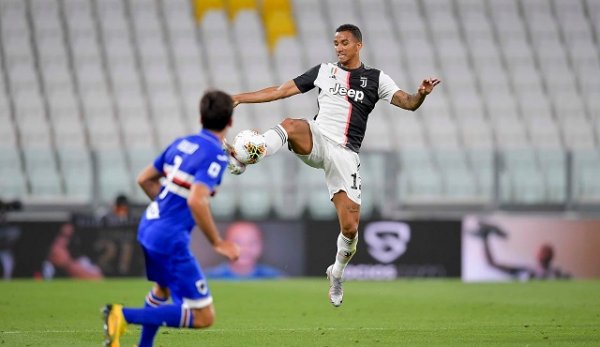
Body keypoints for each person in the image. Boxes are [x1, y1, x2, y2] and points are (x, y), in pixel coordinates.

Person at [229, 24, 440, 307]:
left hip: (345, 154)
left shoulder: (376, 79)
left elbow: (409, 103)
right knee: (291, 124)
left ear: (358, 45)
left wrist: (422, 94)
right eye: (335, 43)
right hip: (317, 137)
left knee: (350, 228)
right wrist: (240, 98)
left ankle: (337, 272)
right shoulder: (323, 71)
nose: (338, 48)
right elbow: (280, 91)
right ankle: (245, 157)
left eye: (344, 42)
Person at [102, 90, 240, 347]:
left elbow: (144, 179)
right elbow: (197, 200)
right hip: (167, 238)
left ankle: (144, 346)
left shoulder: (181, 143)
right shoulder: (215, 155)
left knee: (162, 290)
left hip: (149, 226)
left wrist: (166, 211)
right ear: (230, 122)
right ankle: (121, 315)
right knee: (203, 316)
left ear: (200, 117)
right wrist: (218, 243)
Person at [472, 222, 570, 280]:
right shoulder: (526, 271)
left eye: (547, 251)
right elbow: (492, 263)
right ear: (536, 255)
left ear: (552, 255)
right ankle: (484, 233)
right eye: (542, 251)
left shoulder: (558, 274)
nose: (543, 254)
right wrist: (485, 240)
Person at [206, 221, 285, 279]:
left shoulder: (275, 278)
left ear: (261, 245)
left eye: (252, 242)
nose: (245, 249)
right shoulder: (209, 278)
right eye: (237, 242)